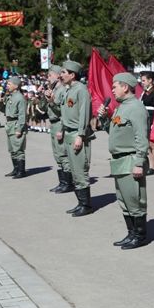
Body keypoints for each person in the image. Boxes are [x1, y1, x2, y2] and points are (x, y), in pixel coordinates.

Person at [98, 73, 150, 248]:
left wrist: (139, 163)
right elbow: (114, 133)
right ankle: (131, 233)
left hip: (130, 159)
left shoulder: (135, 107)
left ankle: (140, 236)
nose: (112, 89)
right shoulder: (121, 107)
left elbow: (141, 137)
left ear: (125, 87)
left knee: (135, 200)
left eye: (115, 86)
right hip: (119, 160)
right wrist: (104, 119)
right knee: (124, 200)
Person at [58, 60, 94, 216]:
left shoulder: (81, 90)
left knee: (80, 171)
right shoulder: (68, 90)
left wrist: (80, 135)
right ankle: (80, 202)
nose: (61, 75)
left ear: (72, 75)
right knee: (74, 170)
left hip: (76, 134)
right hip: (68, 133)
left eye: (64, 72)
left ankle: (85, 205)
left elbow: (84, 114)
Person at [44, 65, 73, 194]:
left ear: (57, 75)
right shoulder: (54, 89)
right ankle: (62, 182)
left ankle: (68, 183)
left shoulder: (62, 90)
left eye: (50, 75)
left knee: (63, 154)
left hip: (60, 124)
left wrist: (62, 129)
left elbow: (63, 112)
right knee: (57, 155)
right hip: (54, 124)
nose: (48, 78)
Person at [0, 76, 28, 178]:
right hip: (10, 124)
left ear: (16, 86)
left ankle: (21, 171)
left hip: (16, 124)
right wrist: (0, 102)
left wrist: (19, 129)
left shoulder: (20, 98)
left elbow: (22, 115)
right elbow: (4, 111)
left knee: (18, 149)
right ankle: (15, 169)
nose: (7, 86)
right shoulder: (10, 96)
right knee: (12, 149)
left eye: (9, 84)